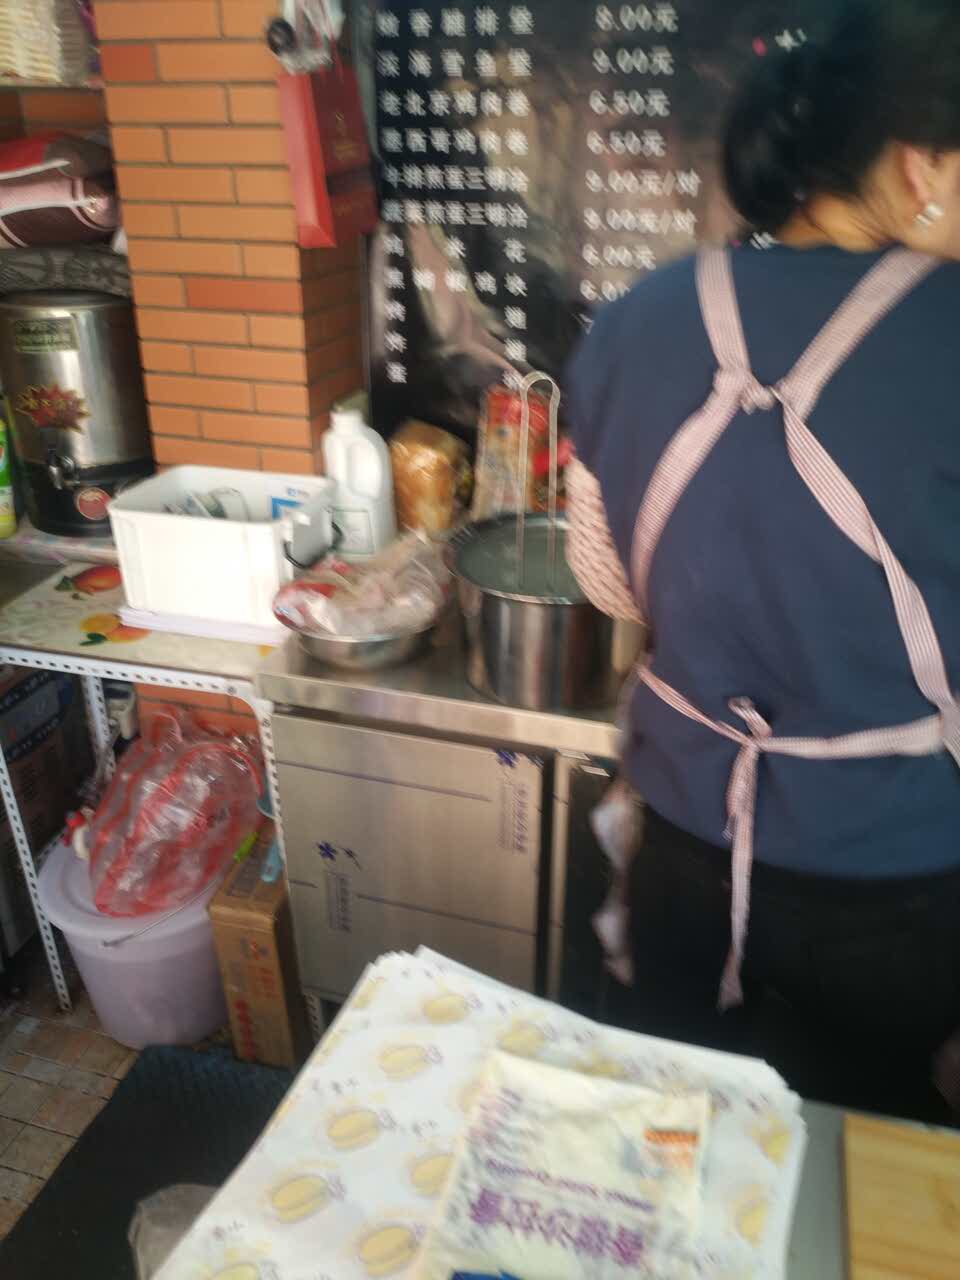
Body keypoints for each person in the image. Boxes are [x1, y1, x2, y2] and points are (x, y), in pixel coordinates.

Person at [565, 0, 960, 1124]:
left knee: (673, 1145)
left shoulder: (634, 316)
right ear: (921, 164)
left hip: (683, 844)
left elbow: (604, 577)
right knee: (858, 1168)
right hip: (892, 883)